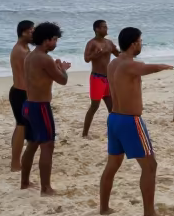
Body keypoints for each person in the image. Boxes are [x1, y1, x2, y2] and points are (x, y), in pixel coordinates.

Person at [100, 27, 173, 216]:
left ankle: (104, 208)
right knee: (150, 166)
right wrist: (162, 66)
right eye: (140, 41)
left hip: (114, 119)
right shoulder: (128, 64)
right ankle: (149, 212)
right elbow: (145, 68)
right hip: (130, 121)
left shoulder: (113, 64)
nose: (141, 44)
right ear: (134, 44)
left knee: (112, 165)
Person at [20, 22, 70, 196]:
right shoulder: (44, 58)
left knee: (32, 144)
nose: (56, 43)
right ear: (47, 40)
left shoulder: (30, 56)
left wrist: (56, 68)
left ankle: (25, 182)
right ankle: (46, 188)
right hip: (40, 106)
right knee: (47, 145)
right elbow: (62, 80)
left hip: (28, 104)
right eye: (55, 39)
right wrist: (62, 69)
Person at [82, 19, 120, 138]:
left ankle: (112, 131)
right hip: (97, 78)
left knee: (112, 107)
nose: (106, 29)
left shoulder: (109, 43)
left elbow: (118, 54)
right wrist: (96, 54)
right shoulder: (92, 43)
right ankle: (84, 133)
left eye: (106, 27)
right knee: (94, 106)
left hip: (107, 78)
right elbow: (86, 59)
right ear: (97, 29)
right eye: (103, 27)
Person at [8, 20, 34, 172]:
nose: (33, 34)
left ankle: (16, 160)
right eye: (31, 31)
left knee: (20, 126)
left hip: (22, 92)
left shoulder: (25, 48)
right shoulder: (21, 51)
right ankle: (15, 164)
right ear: (23, 32)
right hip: (20, 93)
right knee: (21, 127)